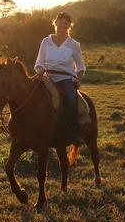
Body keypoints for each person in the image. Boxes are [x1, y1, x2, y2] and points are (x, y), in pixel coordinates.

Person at [34, 12, 86, 145]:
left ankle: (74, 133)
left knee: (70, 97)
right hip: (47, 77)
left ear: (69, 25)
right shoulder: (46, 41)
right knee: (30, 94)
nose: (62, 25)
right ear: (55, 23)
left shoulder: (74, 44)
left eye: (65, 22)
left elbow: (80, 66)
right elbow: (39, 63)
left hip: (65, 78)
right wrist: (40, 72)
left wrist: (78, 78)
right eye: (60, 22)